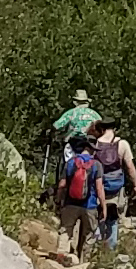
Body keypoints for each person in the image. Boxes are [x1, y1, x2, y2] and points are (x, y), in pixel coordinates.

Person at [50, 103, 102, 249]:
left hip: (72, 147)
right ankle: (82, 257)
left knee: (67, 172)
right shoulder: (95, 115)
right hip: (89, 203)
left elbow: (56, 125)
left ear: (75, 102)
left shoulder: (71, 113)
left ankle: (62, 253)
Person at [88, 117, 136, 250]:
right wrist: (135, 185)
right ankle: (110, 248)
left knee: (99, 213)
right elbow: (130, 167)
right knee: (113, 217)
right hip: (116, 187)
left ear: (101, 129)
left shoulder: (94, 144)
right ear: (115, 128)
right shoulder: (122, 144)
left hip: (98, 185)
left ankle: (97, 245)